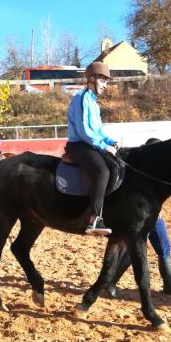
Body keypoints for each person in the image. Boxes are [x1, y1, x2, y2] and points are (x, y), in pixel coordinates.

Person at [65, 61, 118, 236]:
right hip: (78, 145)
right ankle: (94, 219)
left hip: (89, 143)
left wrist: (111, 142)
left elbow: (98, 131)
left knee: (116, 165)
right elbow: (84, 131)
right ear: (93, 79)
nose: (105, 86)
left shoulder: (94, 103)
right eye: (103, 81)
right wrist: (103, 146)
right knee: (102, 172)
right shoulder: (81, 98)